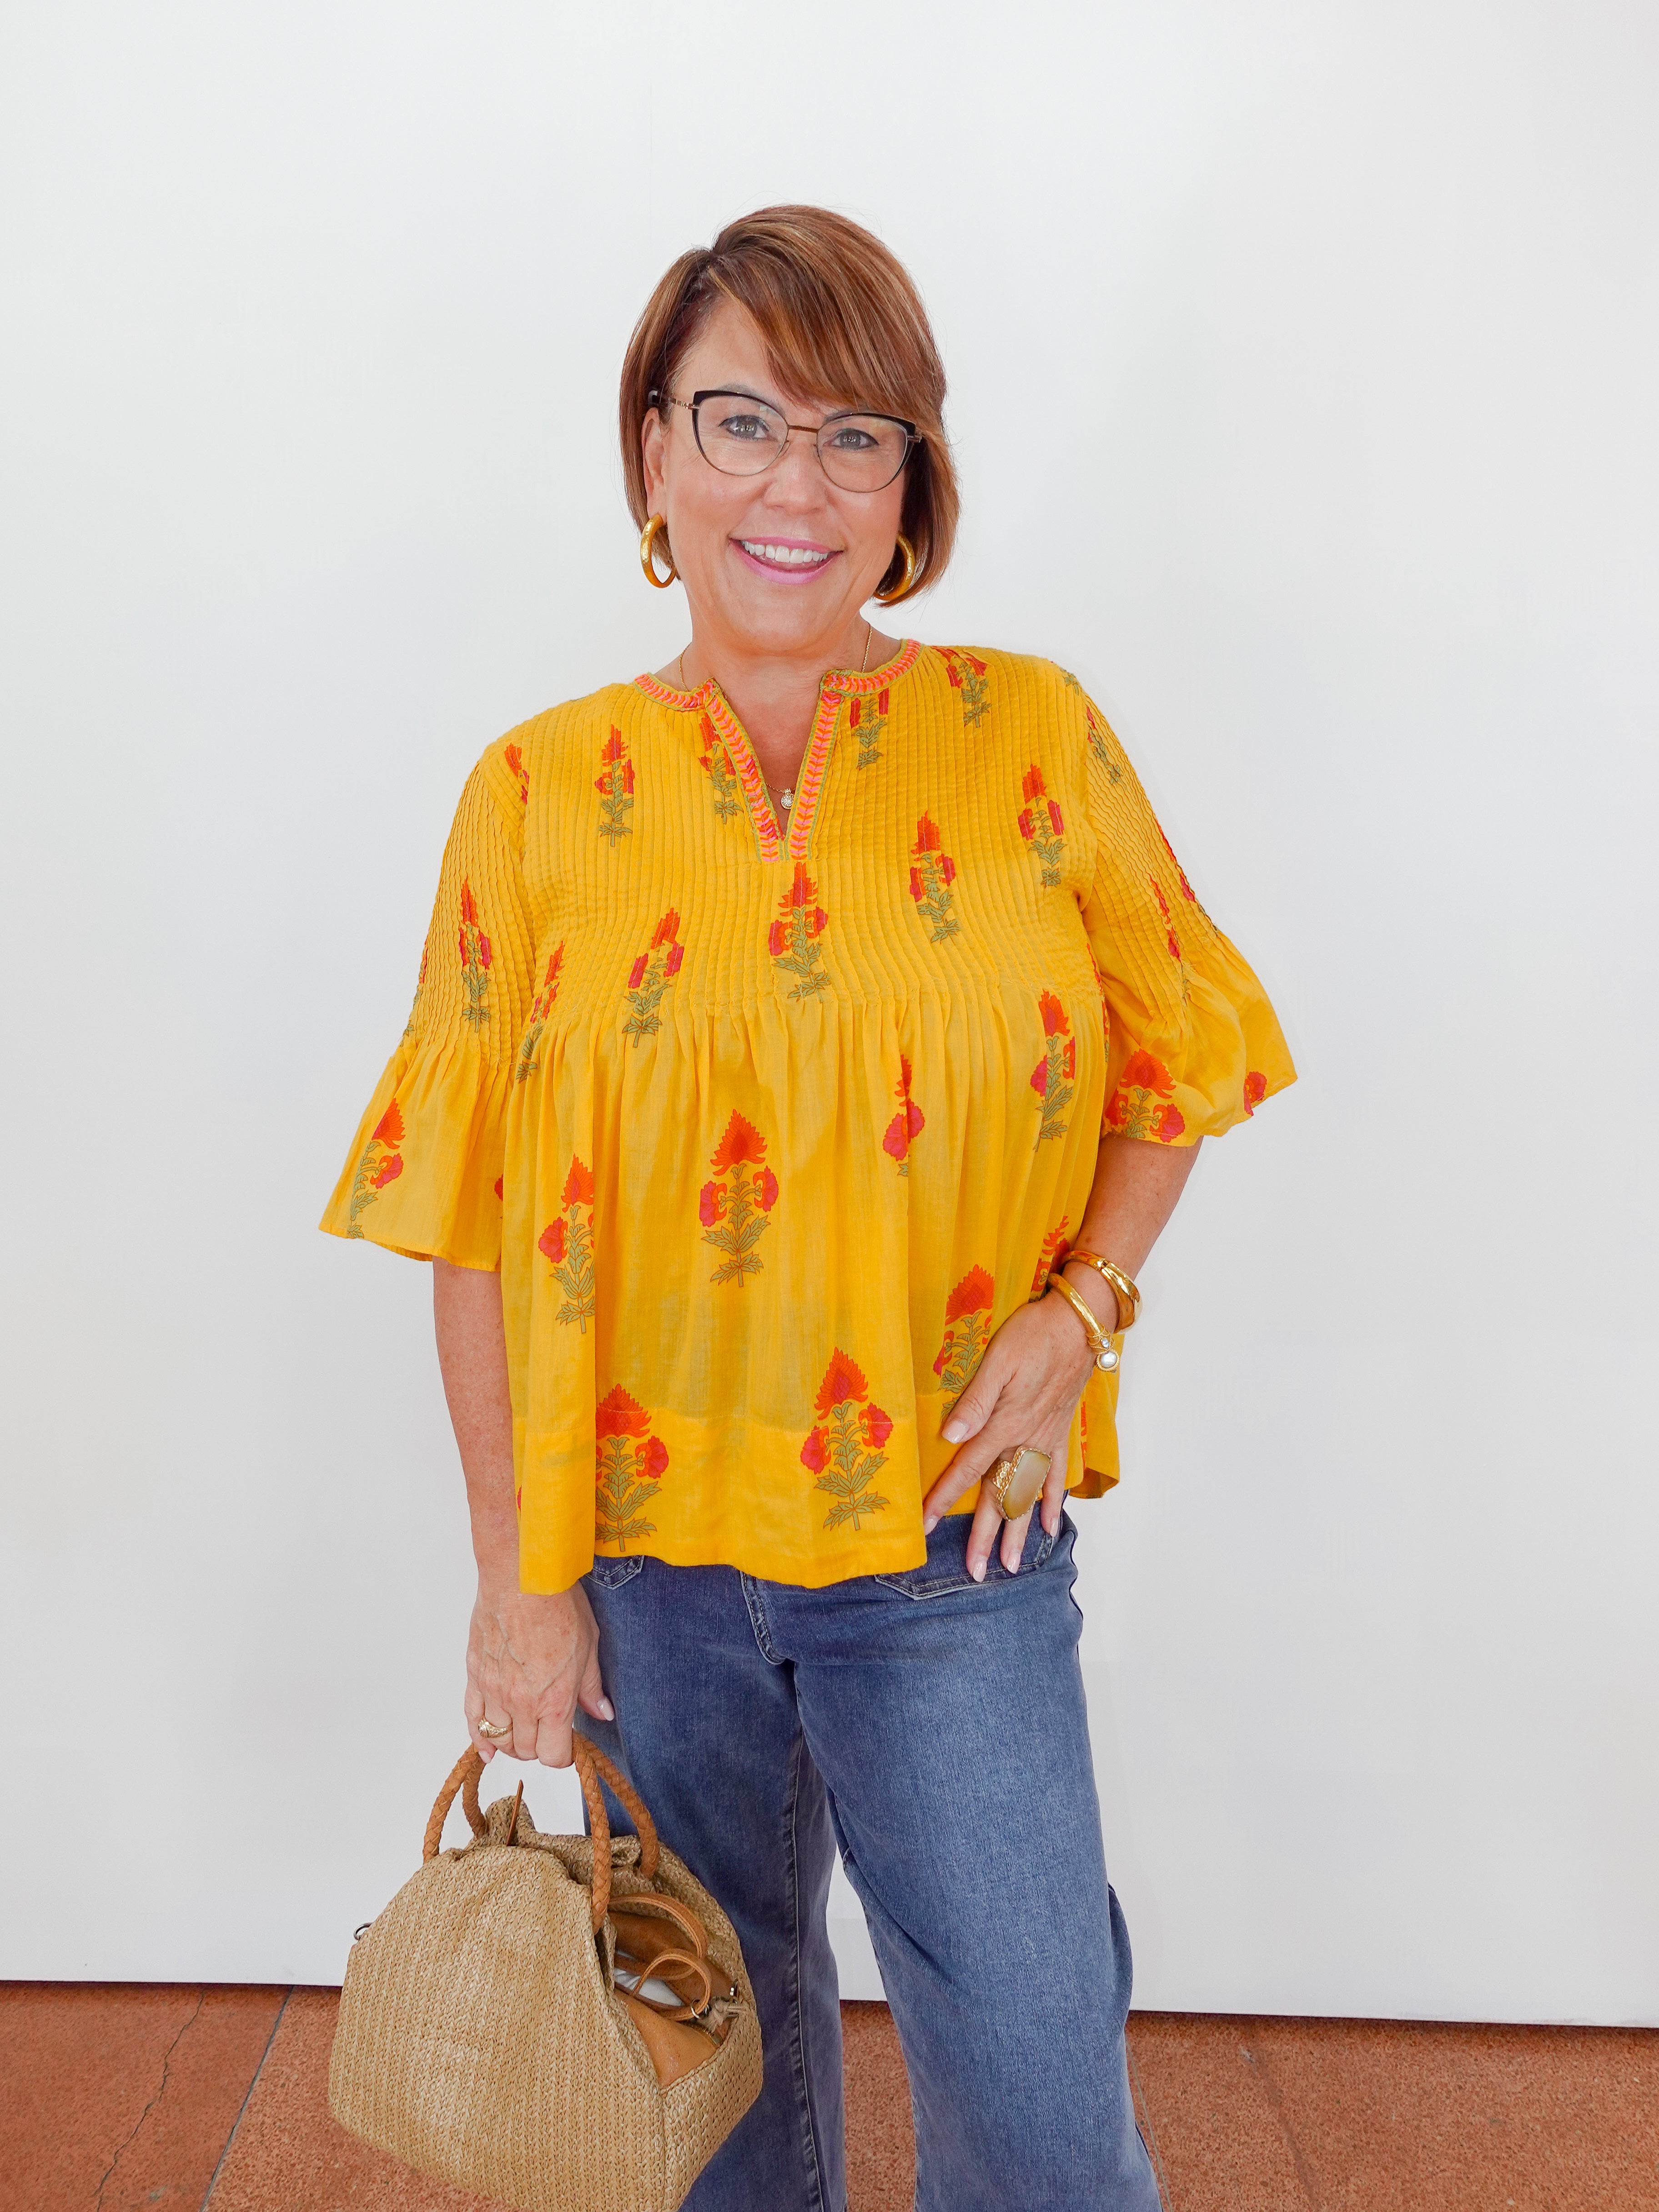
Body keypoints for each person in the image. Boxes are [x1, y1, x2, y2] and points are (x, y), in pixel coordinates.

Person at [322, 204, 1294, 2212]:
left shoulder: (1029, 738)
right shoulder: (537, 792)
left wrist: (1085, 1305)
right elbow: (476, 1225)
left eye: (859, 436)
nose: (798, 483)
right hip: (645, 1574)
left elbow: (1178, 1061)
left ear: (913, 485)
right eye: (743, 420)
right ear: (655, 458)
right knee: (709, 2110)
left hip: (949, 1537)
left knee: (1040, 2109)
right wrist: (519, 1577)